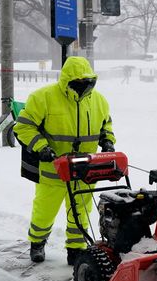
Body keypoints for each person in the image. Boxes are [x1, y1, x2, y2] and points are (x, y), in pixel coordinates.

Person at [14, 56, 116, 265]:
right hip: (53, 170)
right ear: (66, 80)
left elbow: (106, 125)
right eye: (78, 82)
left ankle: (75, 250)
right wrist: (41, 147)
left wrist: (107, 141)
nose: (83, 86)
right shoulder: (43, 97)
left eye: (86, 82)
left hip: (85, 170)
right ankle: (37, 242)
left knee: (81, 213)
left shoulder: (99, 100)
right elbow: (23, 126)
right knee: (44, 211)